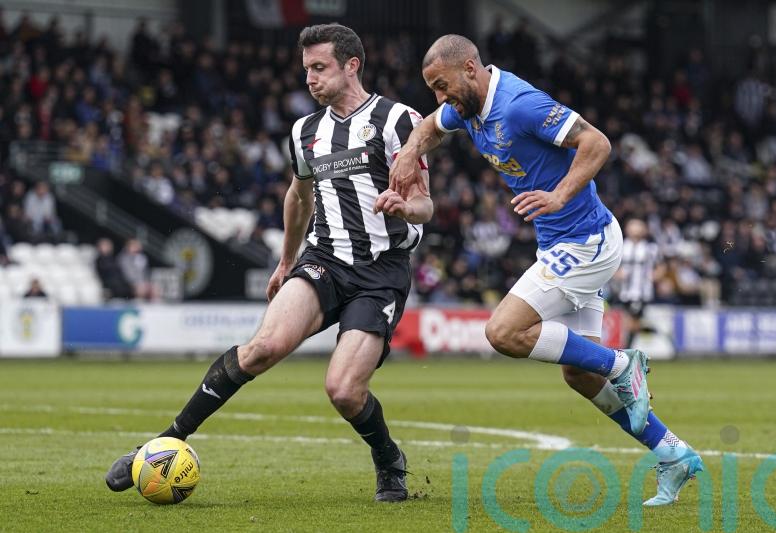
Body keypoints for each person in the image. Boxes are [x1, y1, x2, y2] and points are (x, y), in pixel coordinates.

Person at [105, 23, 433, 503]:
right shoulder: (305, 131)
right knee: (261, 348)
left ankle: (388, 459)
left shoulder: (399, 120)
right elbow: (298, 198)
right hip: (323, 261)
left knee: (343, 391)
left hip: (380, 273)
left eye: (319, 68)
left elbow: (426, 204)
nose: (310, 79)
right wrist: (285, 262)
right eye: (306, 71)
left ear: (351, 65)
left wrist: (406, 207)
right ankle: (161, 443)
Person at [389, 34, 703, 506]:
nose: (440, 97)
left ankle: (624, 363)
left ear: (471, 68)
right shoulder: (468, 106)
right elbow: (432, 124)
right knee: (578, 374)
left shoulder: (518, 105)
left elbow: (596, 143)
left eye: (443, 85)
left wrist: (558, 196)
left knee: (503, 332)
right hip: (562, 242)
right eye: (433, 88)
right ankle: (673, 453)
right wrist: (412, 149)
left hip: (587, 242)